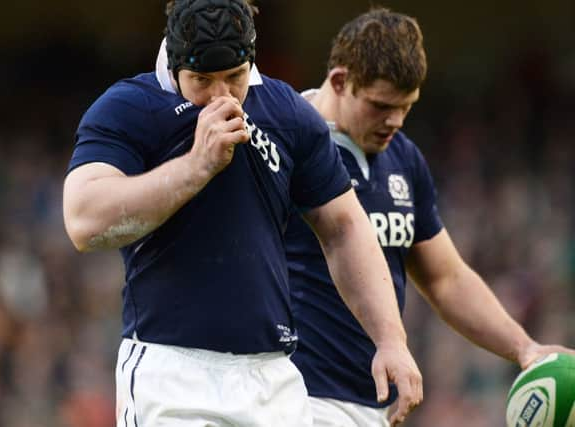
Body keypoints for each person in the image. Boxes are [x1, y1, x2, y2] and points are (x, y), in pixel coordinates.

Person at [62, 1, 423, 426]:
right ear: (175, 67)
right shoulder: (131, 107)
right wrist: (195, 168)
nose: (221, 96)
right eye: (202, 80)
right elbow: (83, 219)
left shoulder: (286, 112)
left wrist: (391, 340)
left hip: (272, 379)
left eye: (235, 78)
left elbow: (344, 227)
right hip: (174, 374)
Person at [285, 7, 575, 427]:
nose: (395, 122)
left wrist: (524, 348)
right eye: (381, 106)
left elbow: (445, 278)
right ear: (340, 81)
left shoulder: (403, 157)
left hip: (373, 404)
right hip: (297, 396)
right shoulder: (285, 138)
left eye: (406, 107)